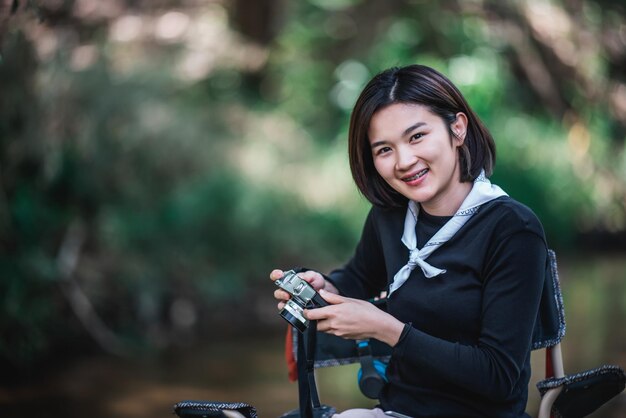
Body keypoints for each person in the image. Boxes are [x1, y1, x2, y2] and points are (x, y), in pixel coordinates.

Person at [270, 64, 548, 418]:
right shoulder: (391, 216)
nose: (404, 161)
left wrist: (388, 329)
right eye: (384, 149)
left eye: (417, 137)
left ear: (457, 129)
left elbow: (498, 376)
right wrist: (325, 285)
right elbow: (358, 278)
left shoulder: (512, 229)